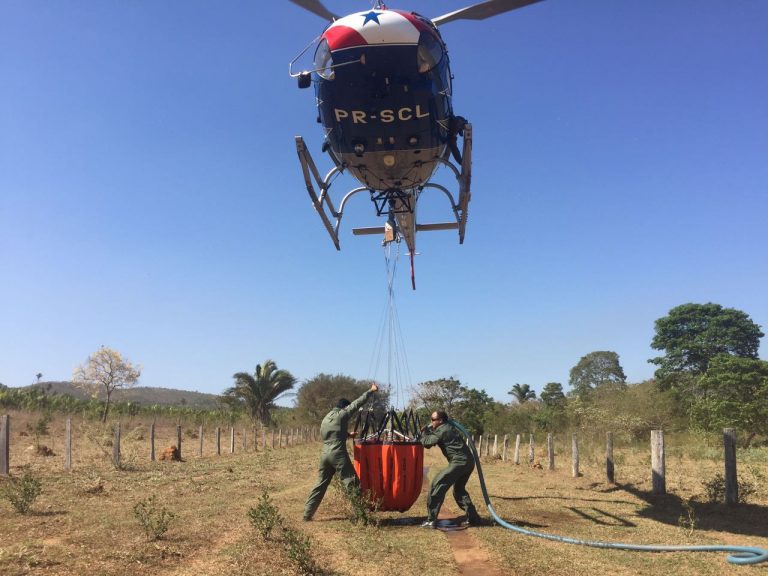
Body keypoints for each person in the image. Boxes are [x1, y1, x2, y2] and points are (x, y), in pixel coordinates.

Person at [303, 383, 378, 521]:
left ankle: (307, 514)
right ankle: (361, 516)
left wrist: (348, 435)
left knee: (320, 484)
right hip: (338, 453)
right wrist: (371, 391)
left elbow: (330, 435)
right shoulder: (342, 414)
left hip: (325, 454)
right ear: (344, 407)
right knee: (352, 482)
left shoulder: (326, 418)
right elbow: (357, 404)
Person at [419, 410, 481, 528]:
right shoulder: (446, 428)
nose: (431, 422)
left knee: (437, 484)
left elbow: (427, 443)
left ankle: (431, 520)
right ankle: (474, 518)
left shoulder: (443, 429)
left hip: (459, 463)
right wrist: (428, 431)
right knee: (459, 490)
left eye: (433, 419)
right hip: (468, 462)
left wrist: (423, 434)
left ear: (440, 421)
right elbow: (434, 436)